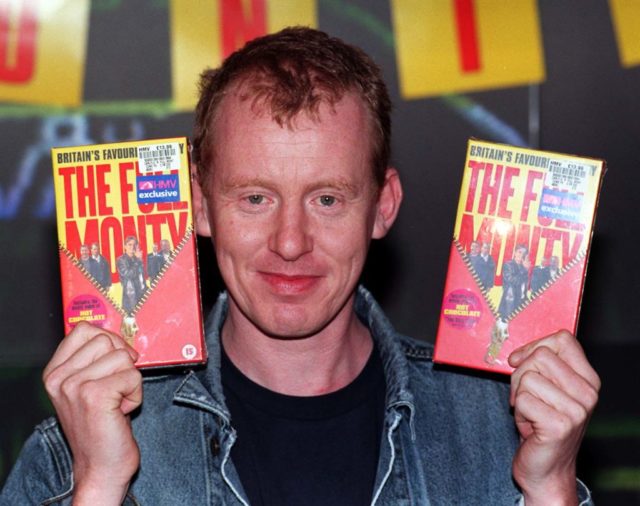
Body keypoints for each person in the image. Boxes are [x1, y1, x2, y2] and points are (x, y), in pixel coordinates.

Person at [1, 27, 599, 505]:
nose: (290, 243)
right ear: (201, 206)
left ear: (383, 207)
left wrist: (548, 488)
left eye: (328, 199)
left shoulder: (499, 426)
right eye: (255, 198)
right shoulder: (79, 447)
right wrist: (101, 488)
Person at [498, 244, 531, 320]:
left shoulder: (524, 266)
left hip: (522, 300)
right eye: (519, 252)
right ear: (515, 253)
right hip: (510, 302)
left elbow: (525, 285)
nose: (521, 255)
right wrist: (525, 270)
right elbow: (512, 281)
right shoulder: (508, 265)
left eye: (524, 253)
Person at [116, 236, 147, 313]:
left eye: (134, 244)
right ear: (125, 246)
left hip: (143, 294)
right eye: (129, 244)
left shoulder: (137, 258)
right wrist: (138, 261)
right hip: (131, 298)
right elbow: (128, 274)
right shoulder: (121, 260)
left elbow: (142, 276)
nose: (132, 247)